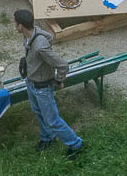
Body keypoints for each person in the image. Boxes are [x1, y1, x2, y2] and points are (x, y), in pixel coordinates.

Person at [14, 9, 83, 159]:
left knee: (53, 120)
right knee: (38, 112)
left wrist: (59, 80)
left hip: (42, 88)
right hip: (31, 83)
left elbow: (62, 65)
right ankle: (47, 138)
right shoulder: (28, 36)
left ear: (21, 26)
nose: (14, 25)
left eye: (15, 23)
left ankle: (75, 144)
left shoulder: (40, 46)